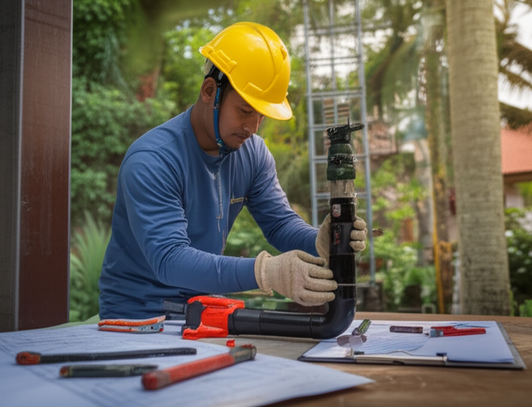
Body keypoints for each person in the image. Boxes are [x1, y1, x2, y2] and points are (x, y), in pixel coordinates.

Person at [98, 22, 367, 320]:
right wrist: (265, 272)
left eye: (261, 116)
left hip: (201, 314)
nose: (252, 128)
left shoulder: (252, 153)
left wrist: (318, 240)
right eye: (245, 110)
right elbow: (170, 260)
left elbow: (279, 225)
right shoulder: (153, 160)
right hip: (135, 319)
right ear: (209, 91)